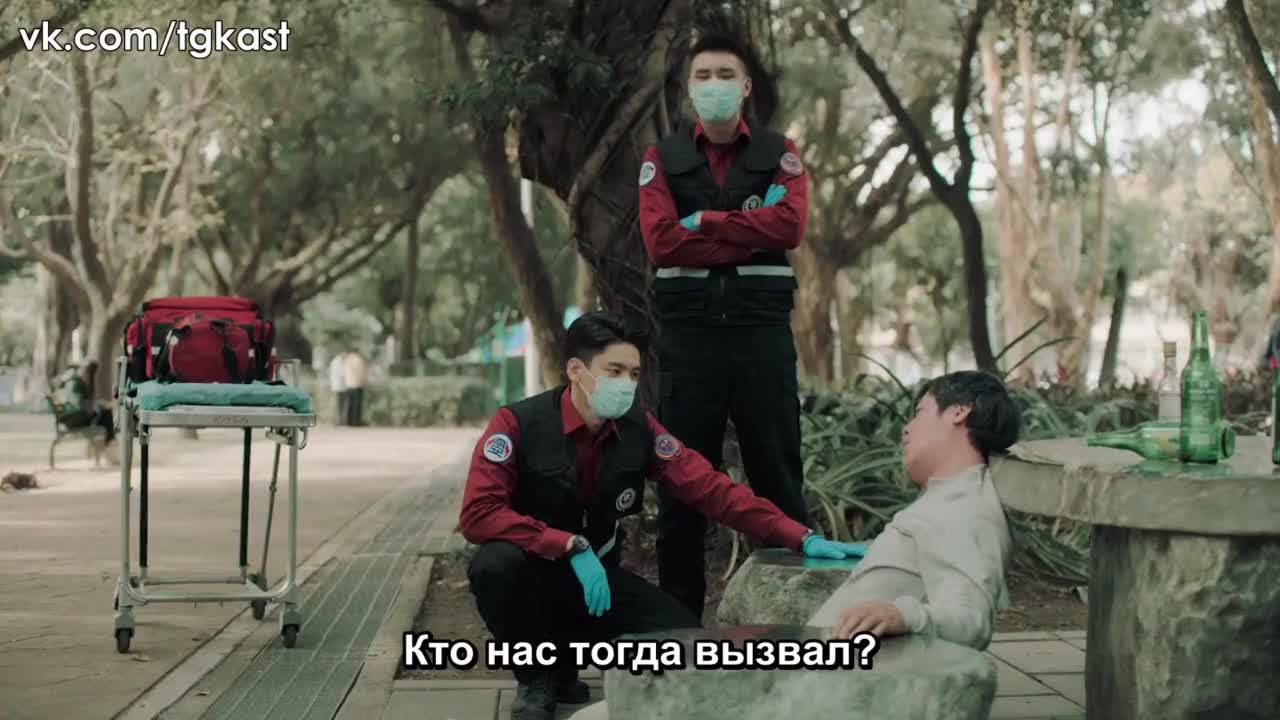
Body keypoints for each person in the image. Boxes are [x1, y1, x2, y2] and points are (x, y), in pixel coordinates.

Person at [459, 311, 863, 720]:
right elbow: (478, 513)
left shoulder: (638, 430)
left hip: (595, 584)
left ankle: (565, 661)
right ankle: (536, 678)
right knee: (494, 564)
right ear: (576, 371)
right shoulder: (516, 424)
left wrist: (800, 536)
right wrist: (566, 544)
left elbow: (709, 487)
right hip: (531, 575)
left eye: (633, 374)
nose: (626, 384)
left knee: (686, 646)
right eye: (614, 371)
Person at [637, 32, 812, 619]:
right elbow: (662, 243)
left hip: (762, 339)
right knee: (682, 486)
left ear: (746, 87)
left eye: (725, 75)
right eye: (703, 76)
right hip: (690, 343)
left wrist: (706, 222)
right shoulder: (661, 159)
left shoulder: (779, 152)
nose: (714, 85)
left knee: (778, 479)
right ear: (689, 89)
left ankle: (786, 621)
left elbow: (789, 228)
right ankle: (677, 627)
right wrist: (746, 231)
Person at [809, 371, 1021, 651]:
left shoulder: (961, 509)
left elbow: (971, 620)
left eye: (919, 413)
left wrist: (902, 615)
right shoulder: (951, 499)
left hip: (836, 669)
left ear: (959, 412)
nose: (906, 428)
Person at [53, 360, 115, 446]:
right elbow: (80, 405)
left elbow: (81, 402)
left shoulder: (71, 381)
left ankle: (107, 443)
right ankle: (110, 444)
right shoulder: (77, 382)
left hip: (69, 417)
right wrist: (95, 408)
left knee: (105, 413)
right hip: (75, 418)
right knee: (107, 414)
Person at [342, 350, 368, 427]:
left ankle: (349, 421)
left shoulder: (347, 360)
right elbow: (362, 372)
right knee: (357, 405)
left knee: (350, 404)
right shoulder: (359, 360)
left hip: (349, 385)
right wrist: (364, 381)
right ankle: (356, 421)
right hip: (357, 384)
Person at [328, 351, 348, 426]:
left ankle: (341, 420)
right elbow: (341, 373)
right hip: (338, 387)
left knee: (341, 405)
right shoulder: (336, 362)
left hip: (342, 387)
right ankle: (337, 421)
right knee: (338, 405)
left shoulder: (341, 361)